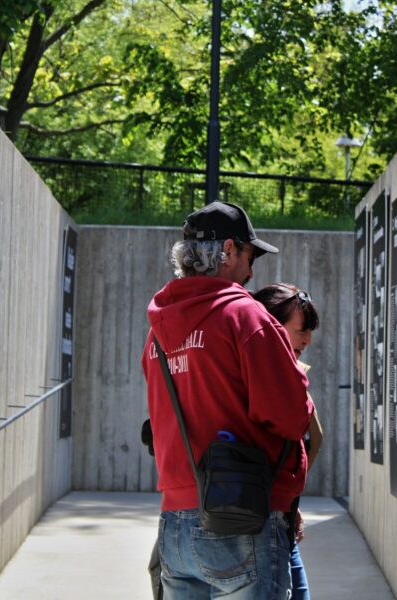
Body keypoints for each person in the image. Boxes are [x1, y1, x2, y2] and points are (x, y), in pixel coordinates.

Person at [142, 201, 314, 600]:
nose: (252, 271)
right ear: (230, 251)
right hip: (243, 521)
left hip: (175, 523)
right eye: (250, 256)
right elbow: (291, 417)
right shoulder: (244, 317)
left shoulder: (157, 333)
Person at [253, 283, 323, 600]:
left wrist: (291, 504)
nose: (307, 340)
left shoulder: (293, 373)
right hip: (256, 523)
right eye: (301, 330)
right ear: (269, 325)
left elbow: (306, 442)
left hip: (282, 517)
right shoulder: (256, 379)